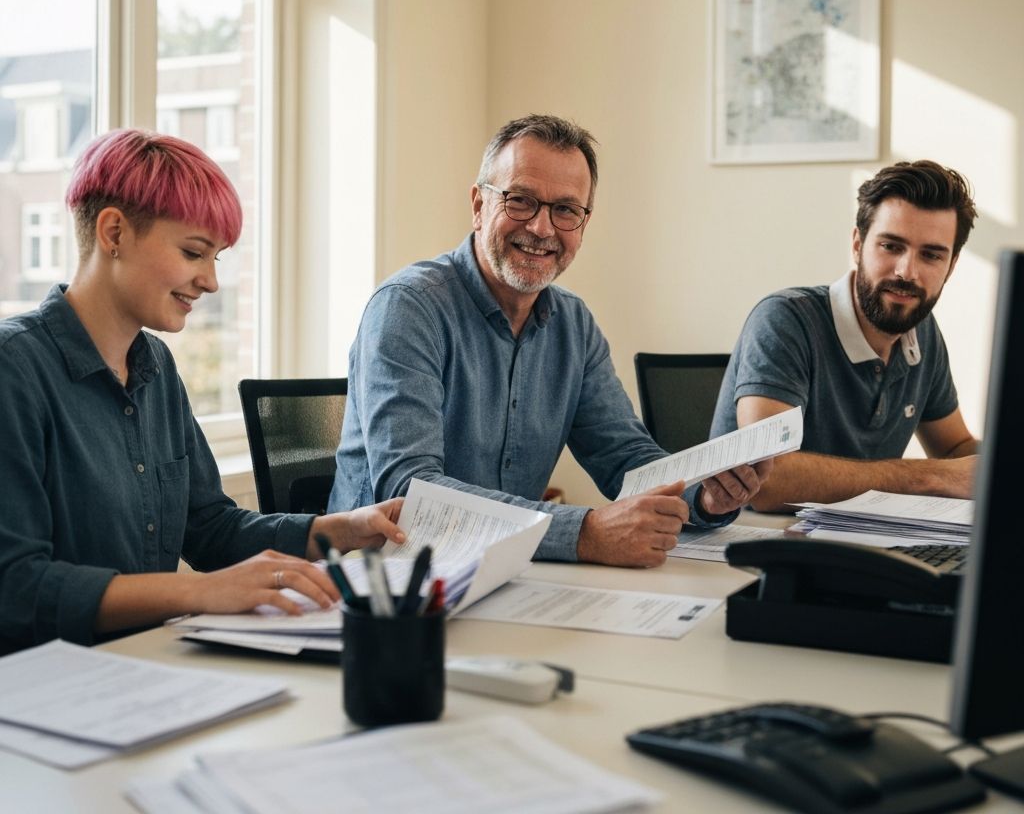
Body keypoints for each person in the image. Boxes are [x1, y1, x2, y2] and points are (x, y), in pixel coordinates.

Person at [0, 129, 404, 655]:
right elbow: (15, 587)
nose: (211, 282)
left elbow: (210, 528)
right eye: (195, 252)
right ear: (114, 231)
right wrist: (199, 592)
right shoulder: (15, 369)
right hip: (45, 686)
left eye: (217, 258)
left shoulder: (156, 367)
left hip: (149, 662)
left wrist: (340, 530)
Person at [328, 114, 768, 567]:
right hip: (380, 583)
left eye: (565, 209)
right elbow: (410, 491)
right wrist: (584, 534)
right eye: (520, 201)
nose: (541, 229)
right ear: (479, 205)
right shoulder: (408, 308)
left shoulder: (573, 324)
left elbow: (625, 457)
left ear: (583, 222)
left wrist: (704, 494)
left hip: (500, 574)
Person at [710, 159, 979, 511]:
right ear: (857, 244)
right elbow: (768, 480)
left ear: (951, 267)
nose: (906, 271)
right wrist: (930, 478)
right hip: (755, 550)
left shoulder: (921, 332)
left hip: (860, 544)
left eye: (931, 255)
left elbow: (954, 449)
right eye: (891, 246)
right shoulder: (785, 319)